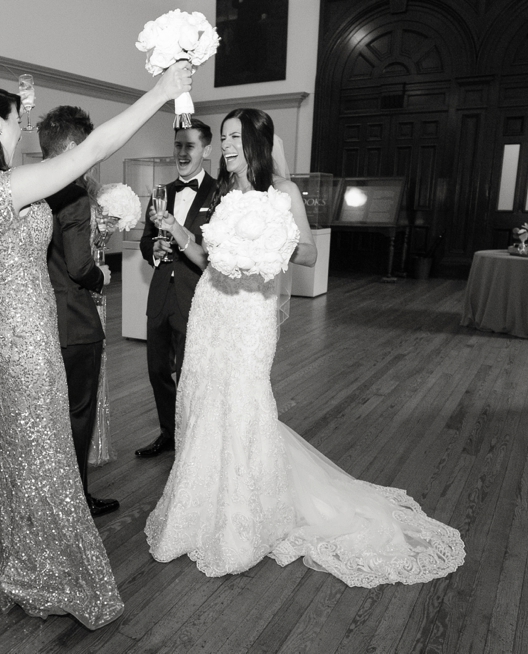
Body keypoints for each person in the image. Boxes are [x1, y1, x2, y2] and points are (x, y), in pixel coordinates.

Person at [144, 108, 465, 585]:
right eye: (225, 138)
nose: (227, 145)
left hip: (250, 314)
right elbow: (208, 258)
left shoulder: (284, 193)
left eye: (234, 137)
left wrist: (272, 246)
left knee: (244, 401)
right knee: (204, 400)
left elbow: (309, 254)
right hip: (212, 306)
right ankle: (202, 507)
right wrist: (177, 231)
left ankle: (247, 514)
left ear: (254, 142)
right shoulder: (225, 193)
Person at [0, 63, 192, 629]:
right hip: (30, 334)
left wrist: (19, 108)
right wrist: (159, 92)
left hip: (6, 324)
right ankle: (48, 568)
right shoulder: (2, 189)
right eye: (11, 125)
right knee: (48, 449)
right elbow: (94, 147)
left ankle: (10, 547)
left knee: (23, 443)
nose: (18, 133)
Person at [37, 105, 119, 518]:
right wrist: (101, 276)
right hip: (75, 320)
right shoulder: (73, 194)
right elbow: (79, 266)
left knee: (49, 418)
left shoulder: (31, 187)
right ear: (72, 147)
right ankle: (76, 502)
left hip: (40, 317)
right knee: (78, 416)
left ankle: (52, 498)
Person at [134, 119, 218, 458]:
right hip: (160, 295)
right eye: (178, 146)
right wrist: (152, 250)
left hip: (195, 295)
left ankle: (190, 439)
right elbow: (143, 241)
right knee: (157, 370)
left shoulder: (219, 193)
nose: (182, 153)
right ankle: (168, 432)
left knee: (188, 373)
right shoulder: (161, 192)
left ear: (206, 150)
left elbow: (215, 253)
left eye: (190, 146)